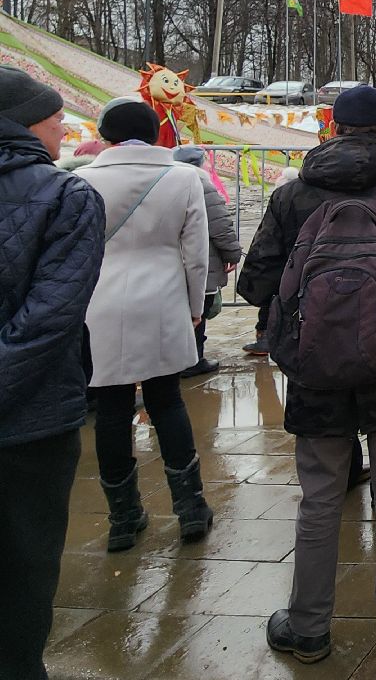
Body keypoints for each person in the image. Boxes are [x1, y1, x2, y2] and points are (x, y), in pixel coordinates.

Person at [238, 85, 376, 662]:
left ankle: (308, 624)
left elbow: (254, 284)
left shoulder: (293, 197)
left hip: (313, 369)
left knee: (319, 495)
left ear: (331, 128)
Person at [0, 69, 105, 679]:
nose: (63, 125)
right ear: (21, 124)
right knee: (23, 575)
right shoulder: (66, 196)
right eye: (53, 114)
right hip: (31, 420)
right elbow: (49, 318)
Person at [75, 101, 214, 554]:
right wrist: (196, 306)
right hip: (163, 298)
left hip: (100, 300)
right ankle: (190, 508)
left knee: (112, 408)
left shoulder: (82, 179)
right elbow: (196, 252)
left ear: (107, 134)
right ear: (156, 133)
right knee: (166, 400)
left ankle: (123, 517)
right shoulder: (182, 178)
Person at [172, 146, 243, 377]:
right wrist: (232, 254)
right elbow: (220, 226)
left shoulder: (164, 182)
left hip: (170, 264)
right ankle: (194, 360)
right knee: (198, 310)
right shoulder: (202, 185)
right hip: (201, 260)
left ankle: (177, 358)